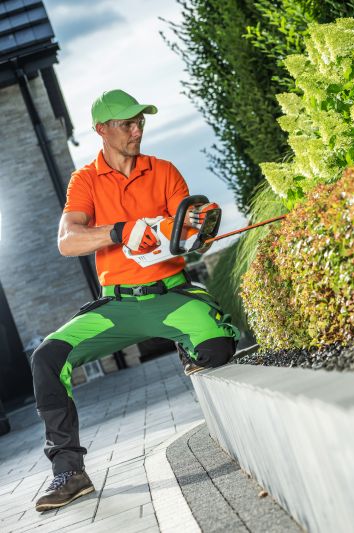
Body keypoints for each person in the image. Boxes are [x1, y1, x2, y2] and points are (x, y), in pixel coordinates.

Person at [30, 89, 239, 512]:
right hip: (118, 306)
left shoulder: (163, 171)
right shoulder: (85, 181)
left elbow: (185, 231)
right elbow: (67, 241)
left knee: (217, 347)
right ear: (102, 129)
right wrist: (119, 231)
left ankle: (189, 344)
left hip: (171, 293)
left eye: (140, 121)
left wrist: (198, 224)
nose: (137, 129)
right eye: (126, 123)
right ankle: (69, 472)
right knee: (47, 358)